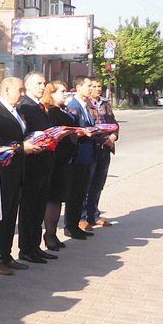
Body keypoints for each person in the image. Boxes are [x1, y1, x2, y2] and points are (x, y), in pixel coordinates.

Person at [0, 77, 33, 274]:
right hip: (3, 171)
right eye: (19, 90)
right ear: (5, 90)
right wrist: (22, 147)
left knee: (10, 214)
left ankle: (6, 254)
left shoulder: (17, 111)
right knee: (1, 216)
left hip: (17, 170)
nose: (23, 94)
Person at [16, 72, 57, 263]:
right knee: (29, 209)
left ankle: (35, 246)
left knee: (39, 207)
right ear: (28, 85)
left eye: (44, 83)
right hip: (32, 164)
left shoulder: (40, 106)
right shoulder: (26, 105)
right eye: (39, 83)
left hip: (45, 163)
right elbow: (24, 134)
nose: (43, 86)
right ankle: (26, 248)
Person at [42, 81, 76, 251]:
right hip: (56, 160)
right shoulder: (52, 112)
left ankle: (53, 233)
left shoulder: (63, 110)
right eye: (62, 91)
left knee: (59, 198)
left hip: (65, 161)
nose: (65, 94)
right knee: (53, 199)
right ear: (52, 93)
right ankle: (49, 234)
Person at [83, 77, 119, 230]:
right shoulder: (84, 104)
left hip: (105, 148)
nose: (98, 89)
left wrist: (112, 137)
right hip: (91, 146)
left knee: (99, 183)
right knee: (86, 184)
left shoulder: (105, 104)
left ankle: (93, 214)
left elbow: (114, 123)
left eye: (100, 86)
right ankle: (82, 217)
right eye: (94, 86)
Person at [65, 76, 97, 241]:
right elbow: (70, 131)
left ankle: (76, 224)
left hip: (87, 155)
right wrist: (83, 132)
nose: (91, 89)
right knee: (75, 193)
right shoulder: (73, 106)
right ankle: (70, 226)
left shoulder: (86, 106)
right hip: (77, 157)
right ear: (78, 87)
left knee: (81, 192)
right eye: (88, 86)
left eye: (92, 86)